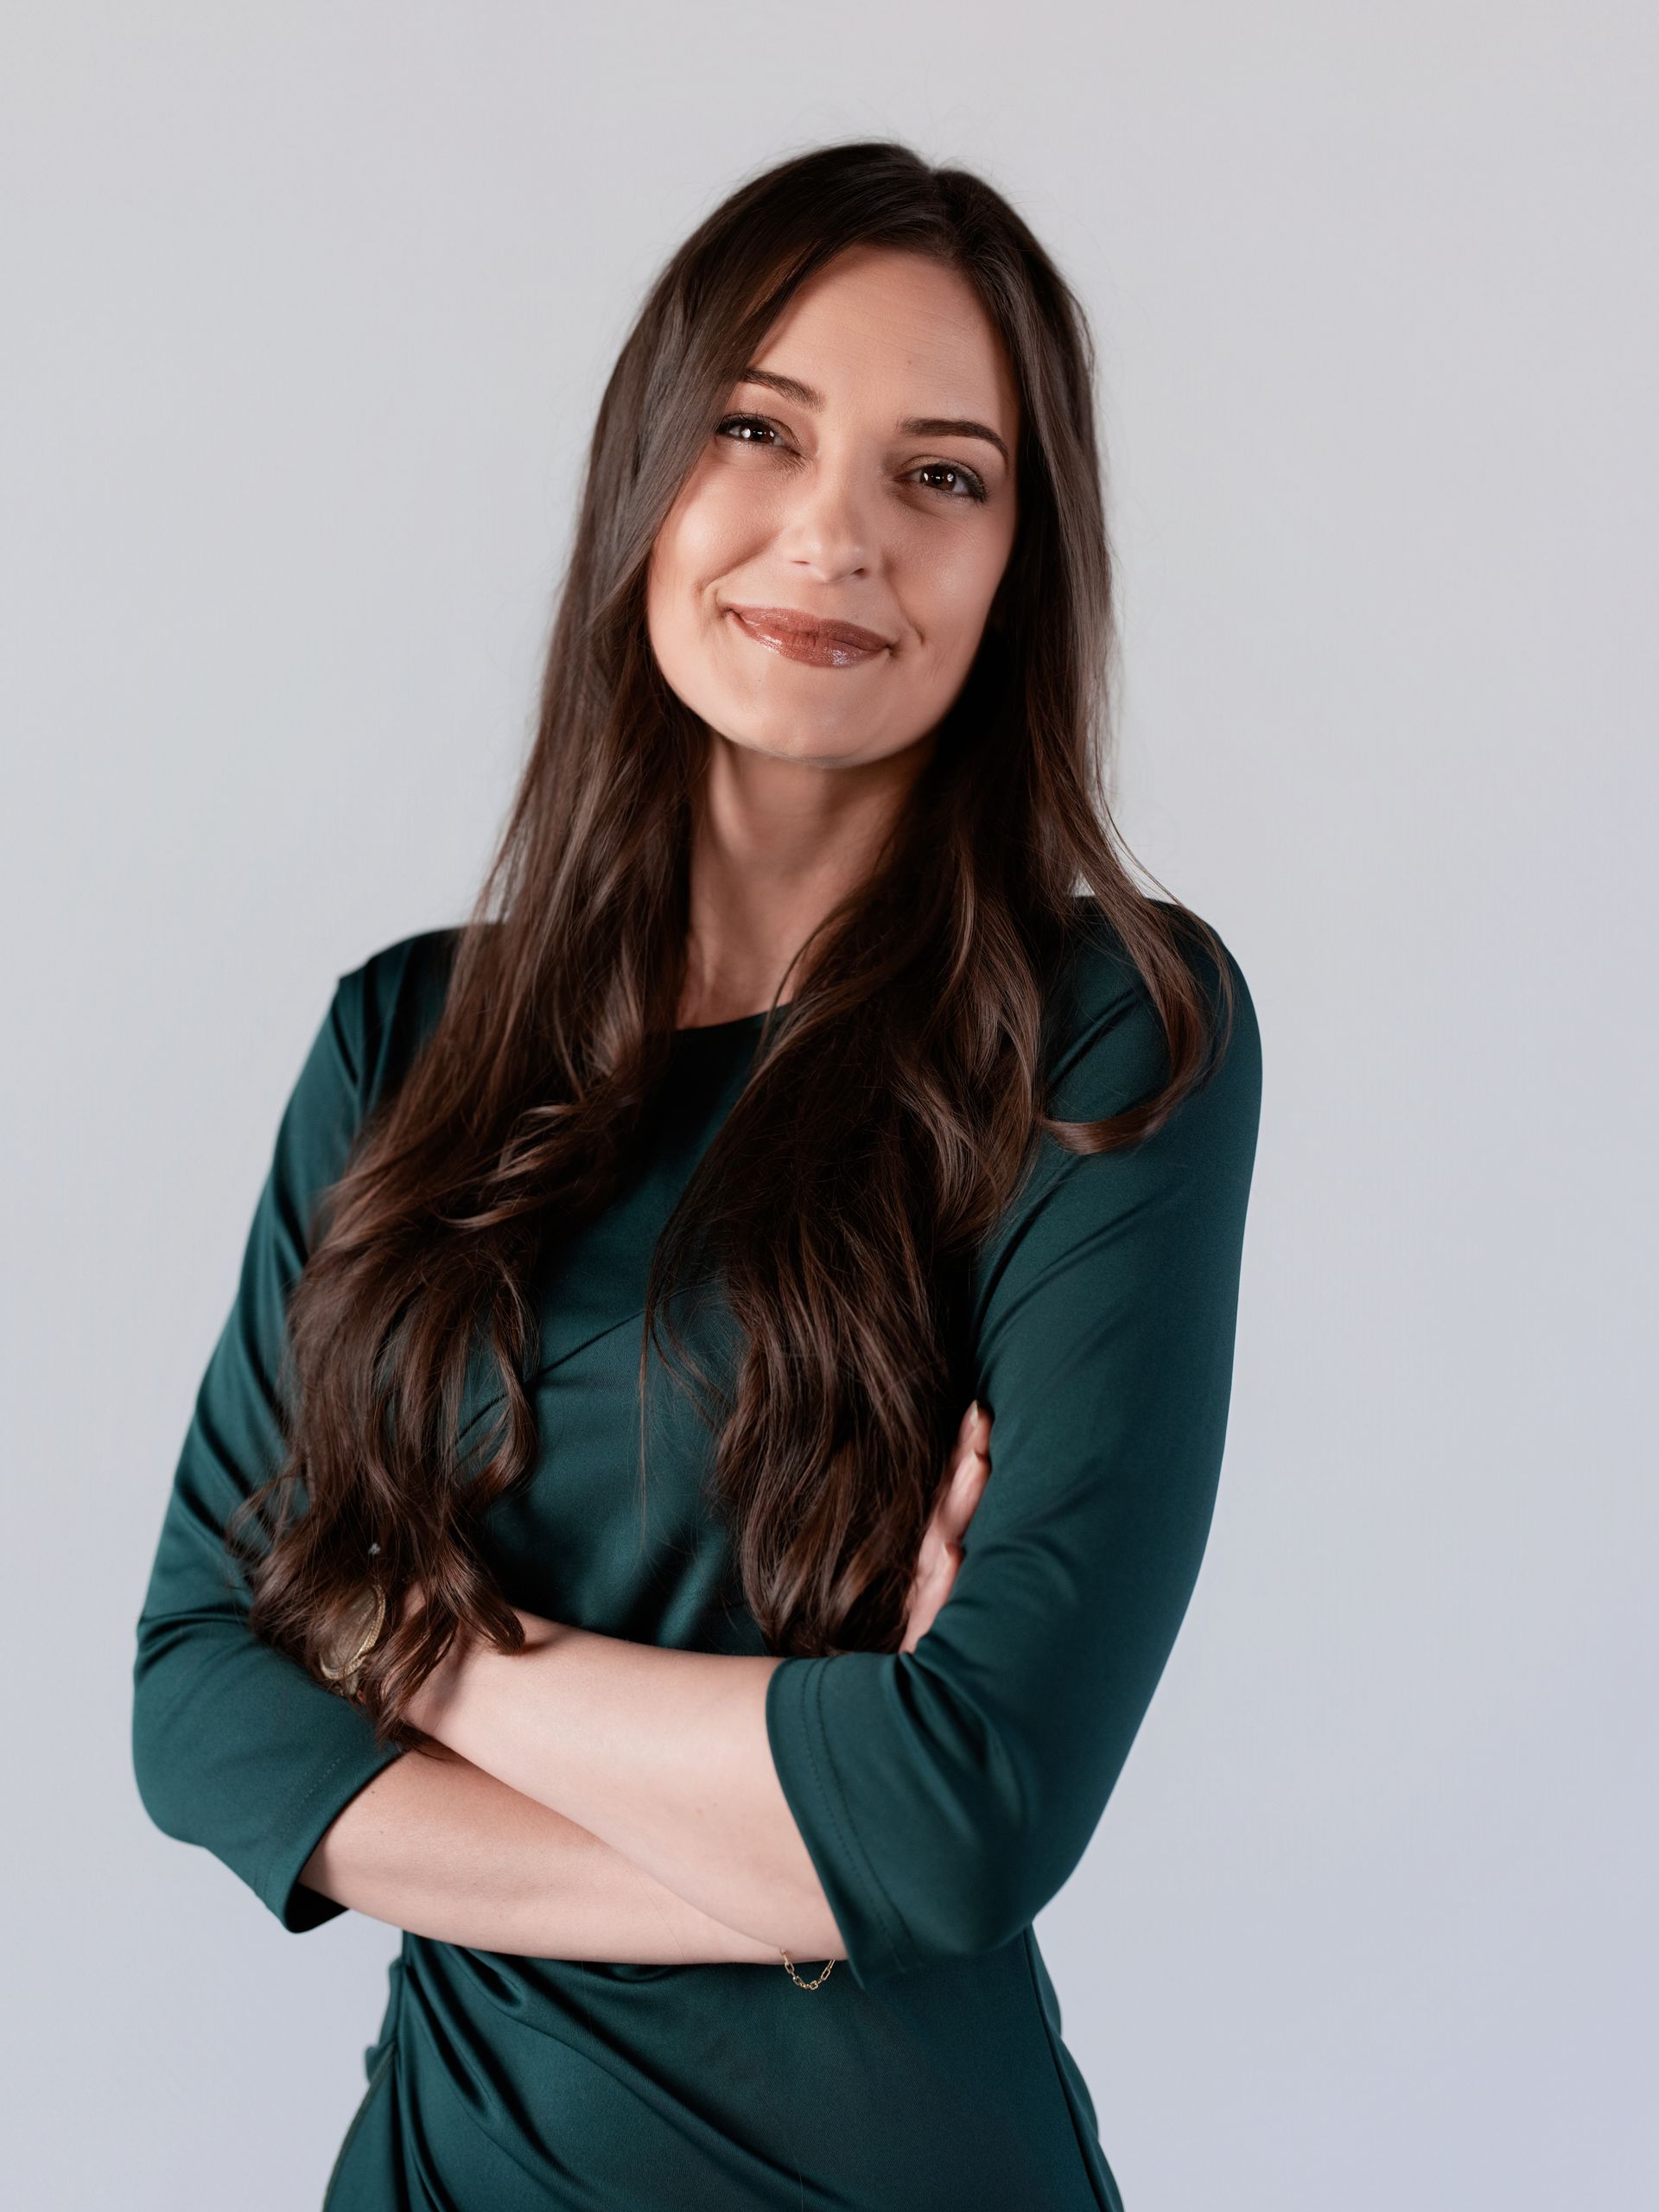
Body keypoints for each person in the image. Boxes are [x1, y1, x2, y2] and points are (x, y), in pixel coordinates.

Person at [131, 138, 1262, 2212]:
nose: (833, 536)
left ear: (1021, 563)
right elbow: (201, 1706)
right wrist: (782, 1849)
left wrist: (412, 1639)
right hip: (447, 2167)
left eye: (943, 474)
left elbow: (965, 1808)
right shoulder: (406, 1042)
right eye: (759, 427)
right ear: (649, 475)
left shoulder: (1107, 1029)